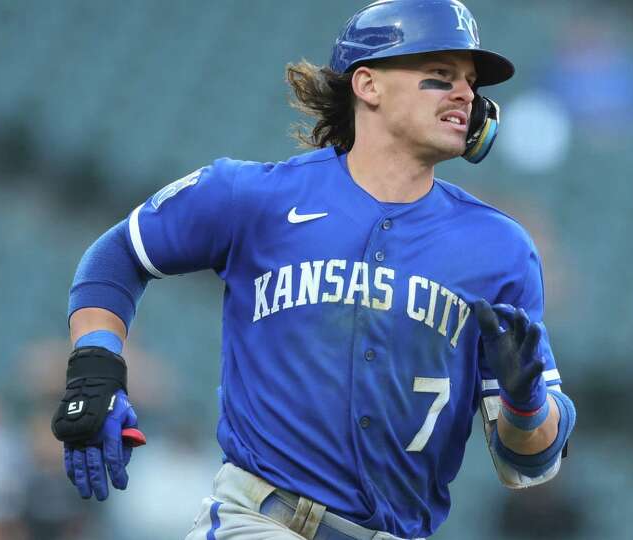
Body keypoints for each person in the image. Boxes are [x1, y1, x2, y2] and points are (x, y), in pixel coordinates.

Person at [50, 1, 576, 539]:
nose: (466, 93)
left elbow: (529, 463)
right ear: (368, 86)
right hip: (259, 520)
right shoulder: (254, 196)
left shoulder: (500, 249)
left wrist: (524, 402)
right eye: (440, 77)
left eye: (469, 82)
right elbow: (119, 255)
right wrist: (97, 365)